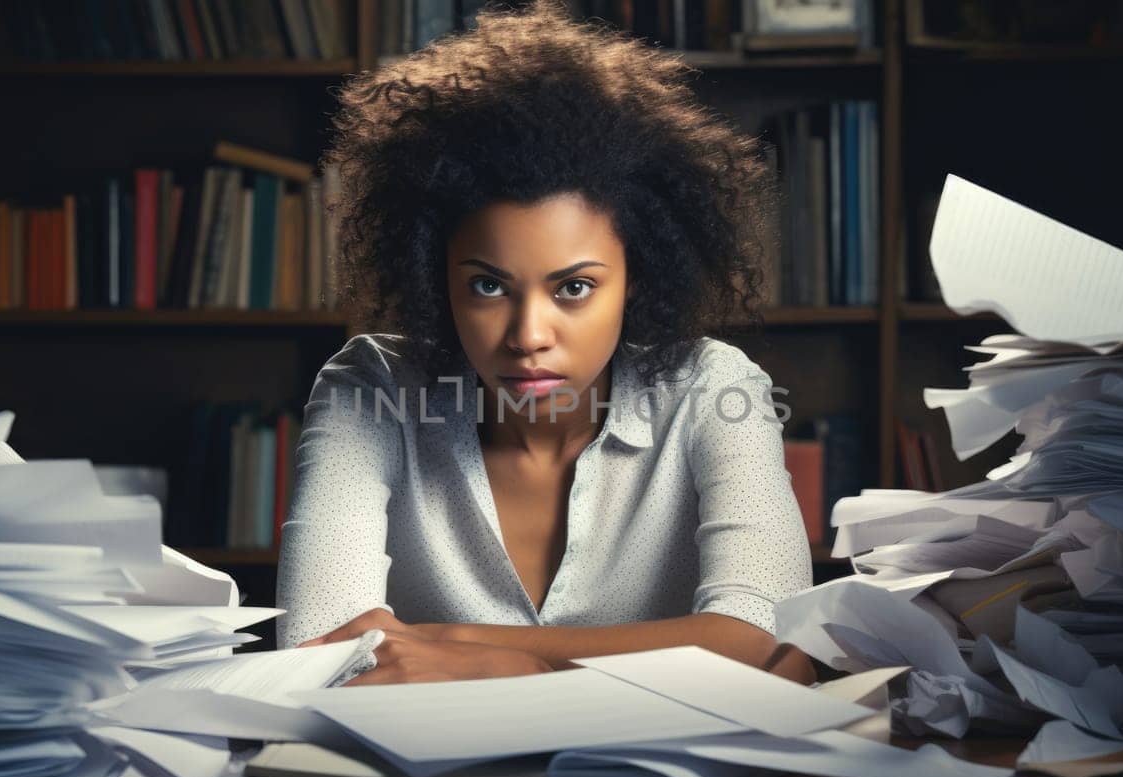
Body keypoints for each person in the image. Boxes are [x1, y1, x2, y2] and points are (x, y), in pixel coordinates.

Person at [276, 0, 814, 685]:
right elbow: (320, 654)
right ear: (434, 279)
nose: (529, 336)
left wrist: (466, 650)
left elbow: (767, 645)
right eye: (489, 287)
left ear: (637, 278)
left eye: (574, 289)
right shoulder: (371, 389)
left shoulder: (715, 389)